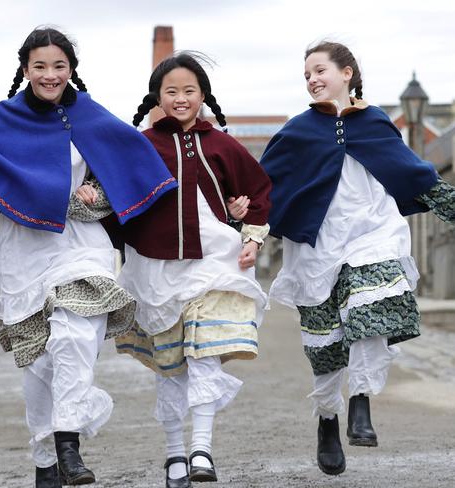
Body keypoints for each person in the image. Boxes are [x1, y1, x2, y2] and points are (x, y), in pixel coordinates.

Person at [0, 27, 177, 487]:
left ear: (72, 69)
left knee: (75, 334)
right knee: (39, 365)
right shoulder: (4, 121)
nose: (50, 75)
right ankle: (46, 457)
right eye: (40, 66)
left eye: (59, 66)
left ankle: (68, 440)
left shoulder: (90, 116)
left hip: (79, 244)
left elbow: (120, 178)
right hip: (24, 252)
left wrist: (96, 195)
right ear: (25, 69)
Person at [260, 41, 455, 476]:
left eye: (319, 70)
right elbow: (260, 186)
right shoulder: (297, 131)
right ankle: (328, 421)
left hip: (372, 234)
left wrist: (449, 204)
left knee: (369, 309)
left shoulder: (376, 123)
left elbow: (411, 171)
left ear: (347, 73)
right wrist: (244, 226)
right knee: (326, 346)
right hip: (316, 245)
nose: (311, 78)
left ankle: (361, 403)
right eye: (306, 73)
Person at [111, 53, 272, 488]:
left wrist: (249, 233)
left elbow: (256, 191)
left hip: (214, 263)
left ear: (203, 95)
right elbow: (115, 196)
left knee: (205, 354)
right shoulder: (141, 144)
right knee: (171, 365)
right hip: (154, 269)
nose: (181, 99)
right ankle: (174, 455)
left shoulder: (222, 144)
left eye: (189, 91)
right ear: (157, 98)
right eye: (171, 92)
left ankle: (202, 448)